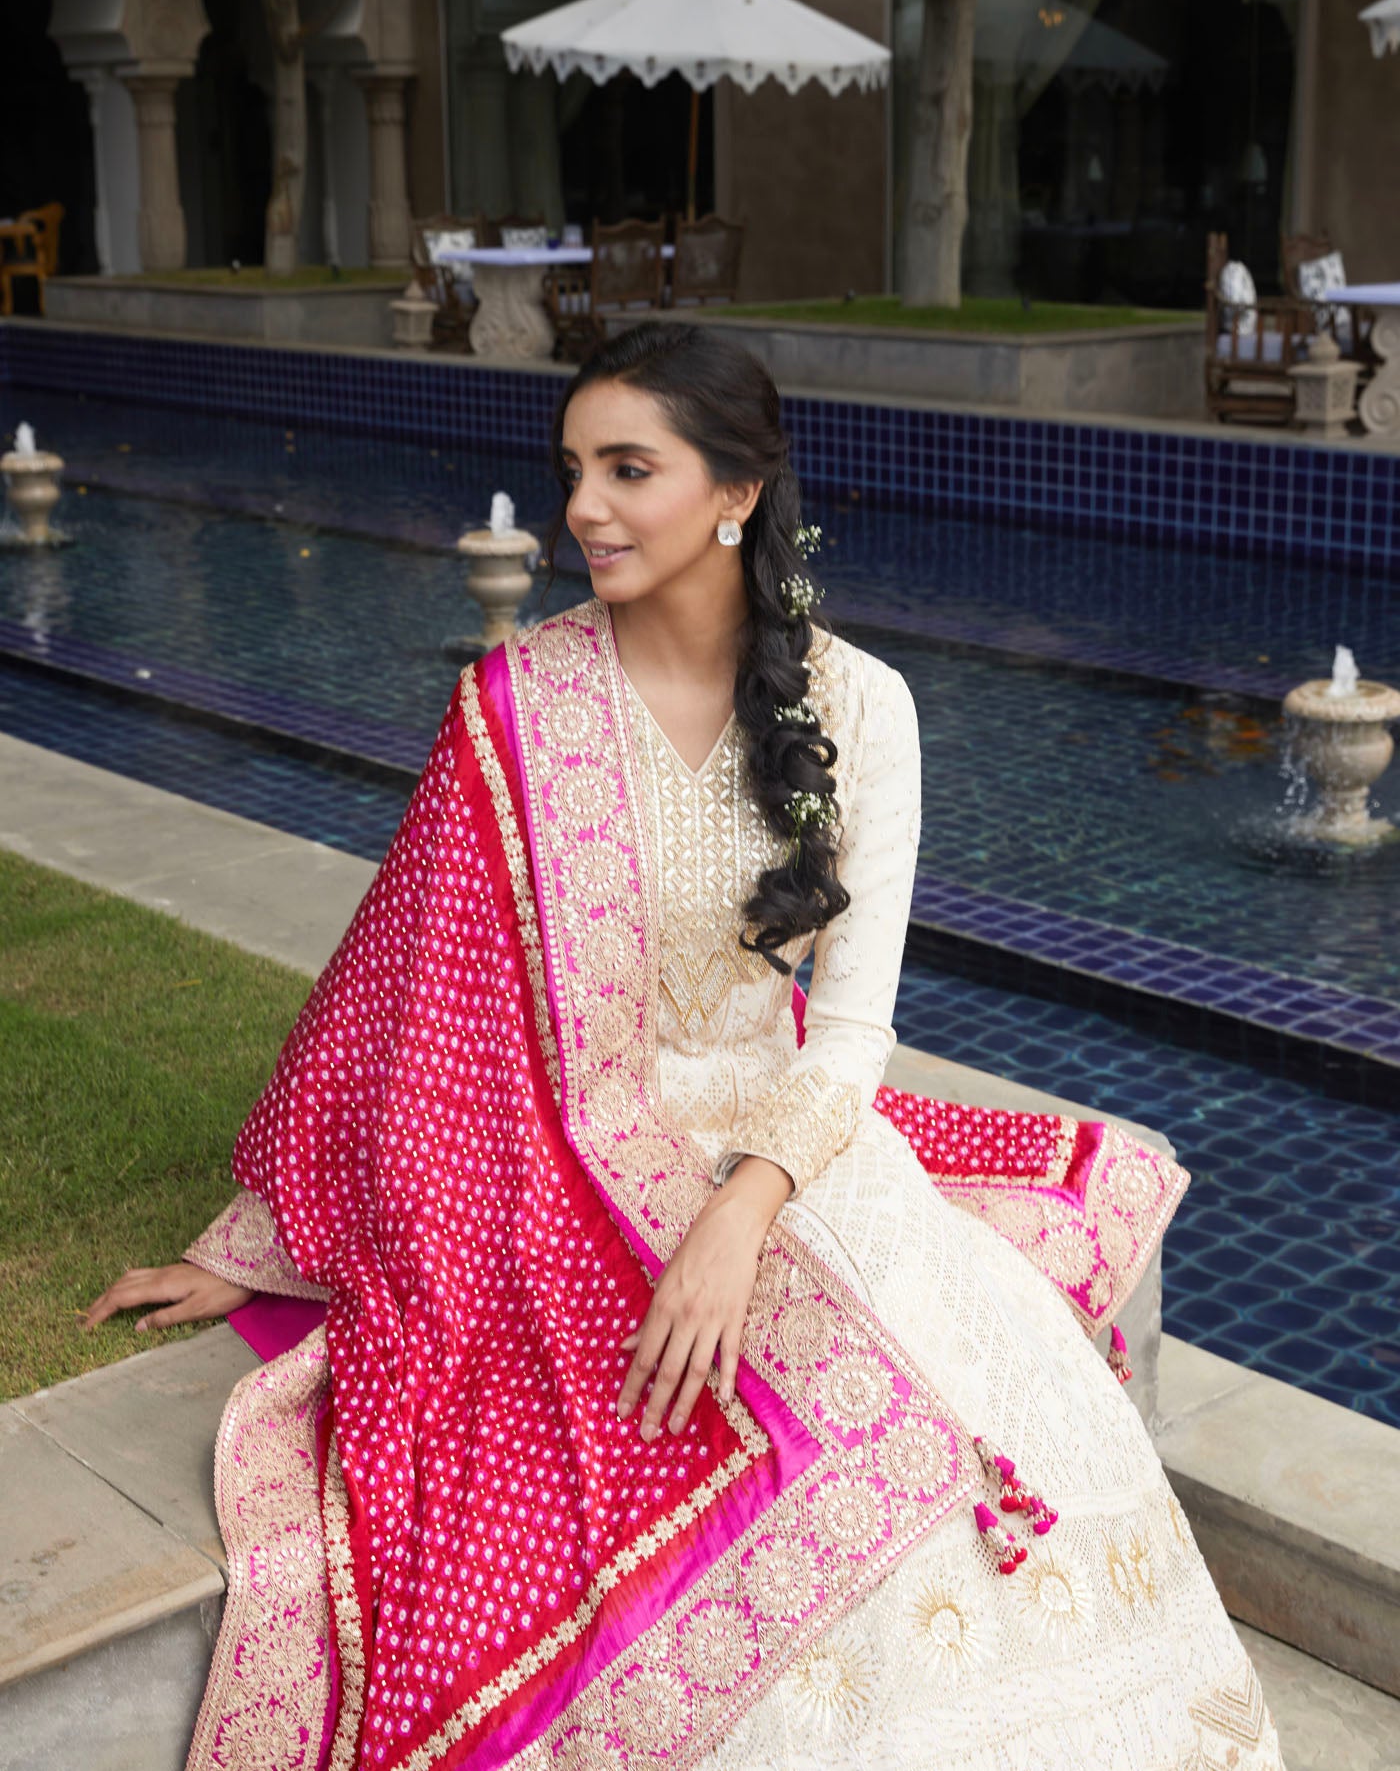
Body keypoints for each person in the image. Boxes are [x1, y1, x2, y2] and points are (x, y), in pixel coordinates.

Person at [85, 323, 1283, 1771]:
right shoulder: (513, 707)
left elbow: (849, 1038)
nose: (581, 506)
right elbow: (395, 994)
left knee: (936, 1413)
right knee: (694, 1441)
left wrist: (739, 1210)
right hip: (548, 1163)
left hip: (779, 1141)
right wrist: (254, 1243)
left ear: (735, 491)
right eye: (573, 468)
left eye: (626, 468)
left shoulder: (863, 707)